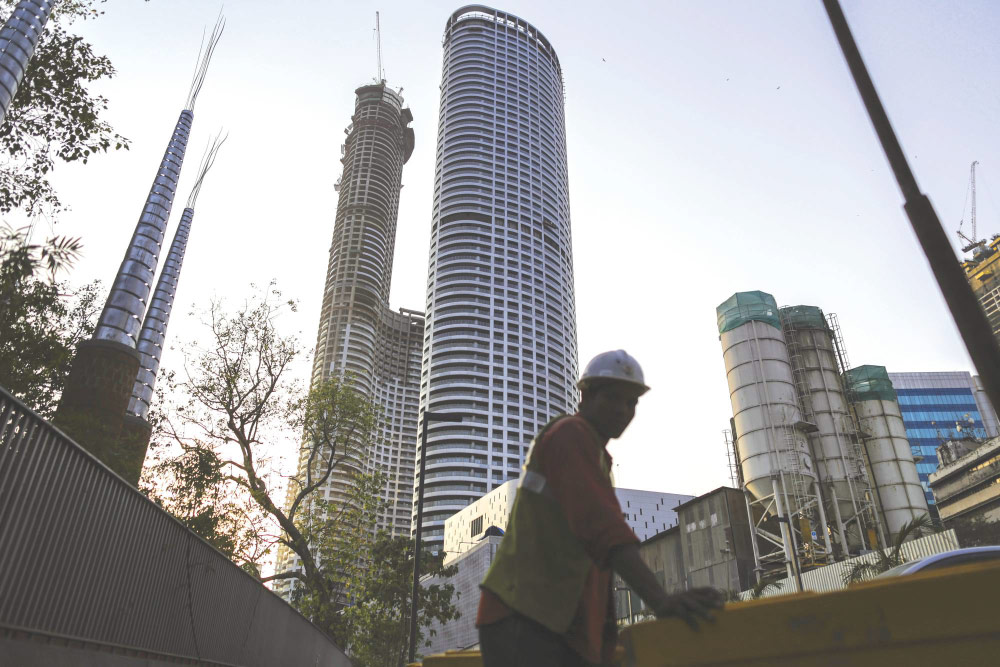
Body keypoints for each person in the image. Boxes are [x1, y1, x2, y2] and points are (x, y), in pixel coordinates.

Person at [476, 350, 725, 666]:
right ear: (586, 396)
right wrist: (661, 600)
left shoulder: (595, 455)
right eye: (613, 398)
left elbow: (593, 551)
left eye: (631, 403)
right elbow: (603, 529)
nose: (623, 410)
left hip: (550, 619)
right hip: (523, 615)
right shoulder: (570, 435)